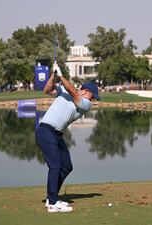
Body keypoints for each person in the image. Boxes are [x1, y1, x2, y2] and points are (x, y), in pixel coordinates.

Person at [35, 62, 100, 213]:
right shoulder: (65, 90)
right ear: (86, 91)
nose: (93, 100)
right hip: (45, 131)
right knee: (55, 166)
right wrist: (54, 75)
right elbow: (47, 90)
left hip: (56, 134)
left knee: (66, 166)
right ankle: (52, 203)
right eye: (93, 96)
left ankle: (52, 197)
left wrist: (61, 75)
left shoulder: (84, 104)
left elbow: (73, 92)